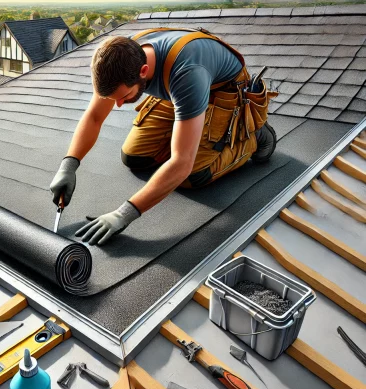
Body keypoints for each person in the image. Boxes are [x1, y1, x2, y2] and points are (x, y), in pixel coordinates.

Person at [50, 28, 277, 246]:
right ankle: (189, 126)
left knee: (193, 175)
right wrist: (69, 165)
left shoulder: (188, 73)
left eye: (124, 96)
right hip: (180, 94)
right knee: (134, 157)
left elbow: (181, 164)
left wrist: (123, 214)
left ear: (143, 71)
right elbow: (94, 117)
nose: (117, 105)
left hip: (222, 94)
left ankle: (254, 138)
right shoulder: (120, 56)